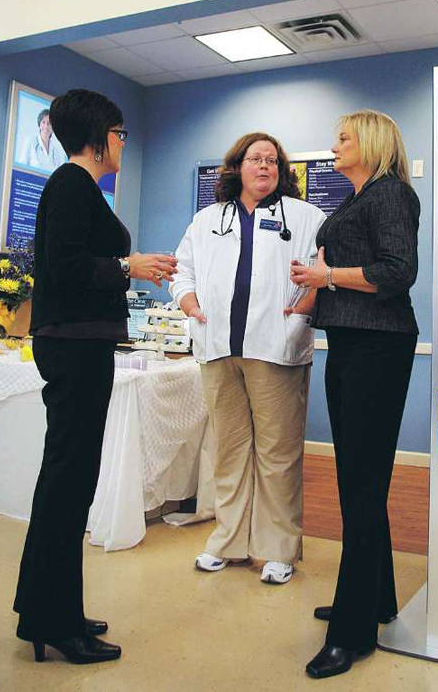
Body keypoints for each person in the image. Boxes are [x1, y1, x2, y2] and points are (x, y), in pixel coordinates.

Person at [13, 89, 177, 665]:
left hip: (81, 345)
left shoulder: (80, 188)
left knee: (70, 480)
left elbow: (79, 264)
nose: (123, 144)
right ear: (99, 135)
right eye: (120, 133)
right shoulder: (70, 184)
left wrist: (129, 268)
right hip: (74, 348)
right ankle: (54, 621)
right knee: (67, 481)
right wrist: (127, 265)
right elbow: (65, 266)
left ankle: (48, 609)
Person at [290, 109, 419, 679]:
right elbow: (338, 269)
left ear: (370, 142)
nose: (334, 144)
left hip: (377, 347)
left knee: (361, 486)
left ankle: (352, 632)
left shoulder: (390, 195)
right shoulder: (358, 198)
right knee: (361, 480)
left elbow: (397, 271)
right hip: (350, 342)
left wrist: (325, 279)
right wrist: (309, 292)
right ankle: (376, 598)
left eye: (343, 137)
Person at [171, 132, 325, 584]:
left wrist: (303, 309)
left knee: (278, 453)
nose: (265, 167)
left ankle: (277, 548)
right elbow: (183, 271)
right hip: (218, 348)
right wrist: (191, 306)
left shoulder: (305, 216)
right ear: (237, 166)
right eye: (256, 159)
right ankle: (229, 540)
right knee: (230, 450)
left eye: (273, 161)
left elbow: (319, 273)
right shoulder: (206, 220)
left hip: (275, 348)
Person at [19, 108, 67, 172]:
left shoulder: (55, 152)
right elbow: (21, 169)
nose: (46, 126)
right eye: (43, 122)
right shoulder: (30, 142)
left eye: (49, 123)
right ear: (39, 124)